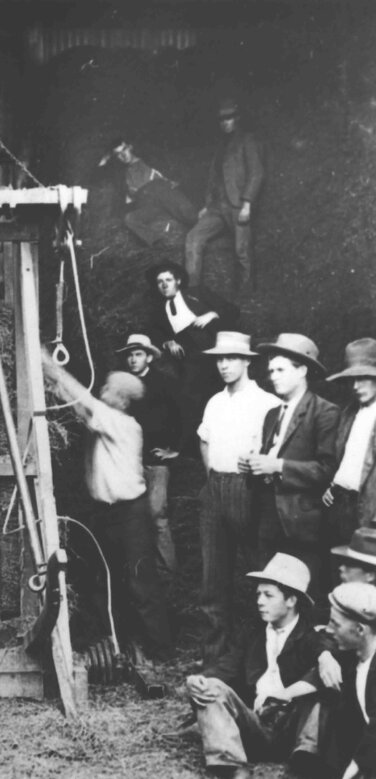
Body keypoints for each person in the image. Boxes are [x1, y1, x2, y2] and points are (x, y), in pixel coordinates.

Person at [39, 345, 172, 659]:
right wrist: (52, 381)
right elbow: (78, 407)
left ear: (122, 399)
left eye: (108, 389)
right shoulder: (106, 421)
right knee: (109, 579)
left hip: (131, 513)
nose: (102, 391)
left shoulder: (123, 425)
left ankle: (160, 649)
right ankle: (120, 643)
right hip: (108, 513)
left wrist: (47, 362)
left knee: (141, 583)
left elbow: (82, 401)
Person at [185, 553, 325, 779]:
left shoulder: (311, 637)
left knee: (321, 691)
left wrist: (322, 660)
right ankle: (231, 766)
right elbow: (226, 667)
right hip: (255, 724)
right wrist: (200, 680)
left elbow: (325, 667)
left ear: (291, 600)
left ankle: (306, 762)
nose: (260, 601)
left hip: (292, 728)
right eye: (258, 594)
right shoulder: (252, 634)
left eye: (269, 595)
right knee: (211, 686)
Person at [197, 331, 281, 661]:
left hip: (250, 491)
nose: (224, 365)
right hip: (215, 488)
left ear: (247, 361)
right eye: (219, 358)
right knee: (213, 580)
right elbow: (204, 439)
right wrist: (212, 478)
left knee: (260, 575)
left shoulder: (267, 403)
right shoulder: (215, 402)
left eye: (231, 358)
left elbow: (276, 452)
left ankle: (262, 659)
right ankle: (215, 660)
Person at [246, 334, 338, 600]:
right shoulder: (272, 415)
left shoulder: (324, 412)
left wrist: (277, 465)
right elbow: (269, 461)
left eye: (280, 370)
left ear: (302, 370)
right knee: (271, 594)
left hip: (303, 524)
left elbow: (326, 469)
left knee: (304, 595)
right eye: (271, 370)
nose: (273, 376)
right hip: (268, 520)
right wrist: (253, 465)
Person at [147, 260, 238, 452]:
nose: (164, 285)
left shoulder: (197, 294)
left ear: (178, 281)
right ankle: (191, 449)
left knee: (224, 397)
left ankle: (228, 445)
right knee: (188, 401)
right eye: (160, 282)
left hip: (214, 349)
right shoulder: (158, 310)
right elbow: (155, 333)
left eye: (168, 280)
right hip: (190, 360)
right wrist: (168, 342)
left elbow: (232, 310)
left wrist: (211, 314)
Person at [117, 333, 181, 579]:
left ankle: (168, 570)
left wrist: (175, 450)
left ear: (149, 357)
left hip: (155, 462)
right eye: (130, 355)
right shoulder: (122, 386)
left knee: (156, 514)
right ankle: (137, 570)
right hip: (129, 463)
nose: (133, 360)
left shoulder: (164, 383)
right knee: (132, 516)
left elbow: (182, 417)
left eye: (138, 354)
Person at [185, 98, 266, 290]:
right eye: (222, 119)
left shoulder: (247, 140)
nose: (225, 122)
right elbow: (214, 178)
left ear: (236, 118)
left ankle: (248, 297)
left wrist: (247, 203)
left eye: (229, 118)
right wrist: (207, 204)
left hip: (237, 205)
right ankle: (192, 290)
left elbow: (257, 172)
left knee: (242, 251)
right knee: (193, 237)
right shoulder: (220, 145)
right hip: (217, 207)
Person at [303, 582, 376, 777]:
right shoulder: (353, 660)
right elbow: (313, 638)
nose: (328, 629)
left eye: (335, 623)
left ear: (360, 630)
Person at [324, 339, 376, 547]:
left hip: (369, 510)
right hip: (340, 505)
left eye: (363, 378)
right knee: (339, 568)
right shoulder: (349, 412)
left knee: (365, 572)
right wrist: (333, 484)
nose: (355, 386)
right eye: (352, 379)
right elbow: (345, 456)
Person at [99, 138, 197, 246]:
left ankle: (198, 223)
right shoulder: (124, 175)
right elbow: (99, 172)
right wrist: (107, 157)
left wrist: (173, 181)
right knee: (130, 218)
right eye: (118, 154)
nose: (123, 155)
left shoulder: (149, 159)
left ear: (130, 147)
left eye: (124, 150)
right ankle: (158, 243)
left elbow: (174, 176)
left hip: (165, 195)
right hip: (151, 206)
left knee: (186, 213)